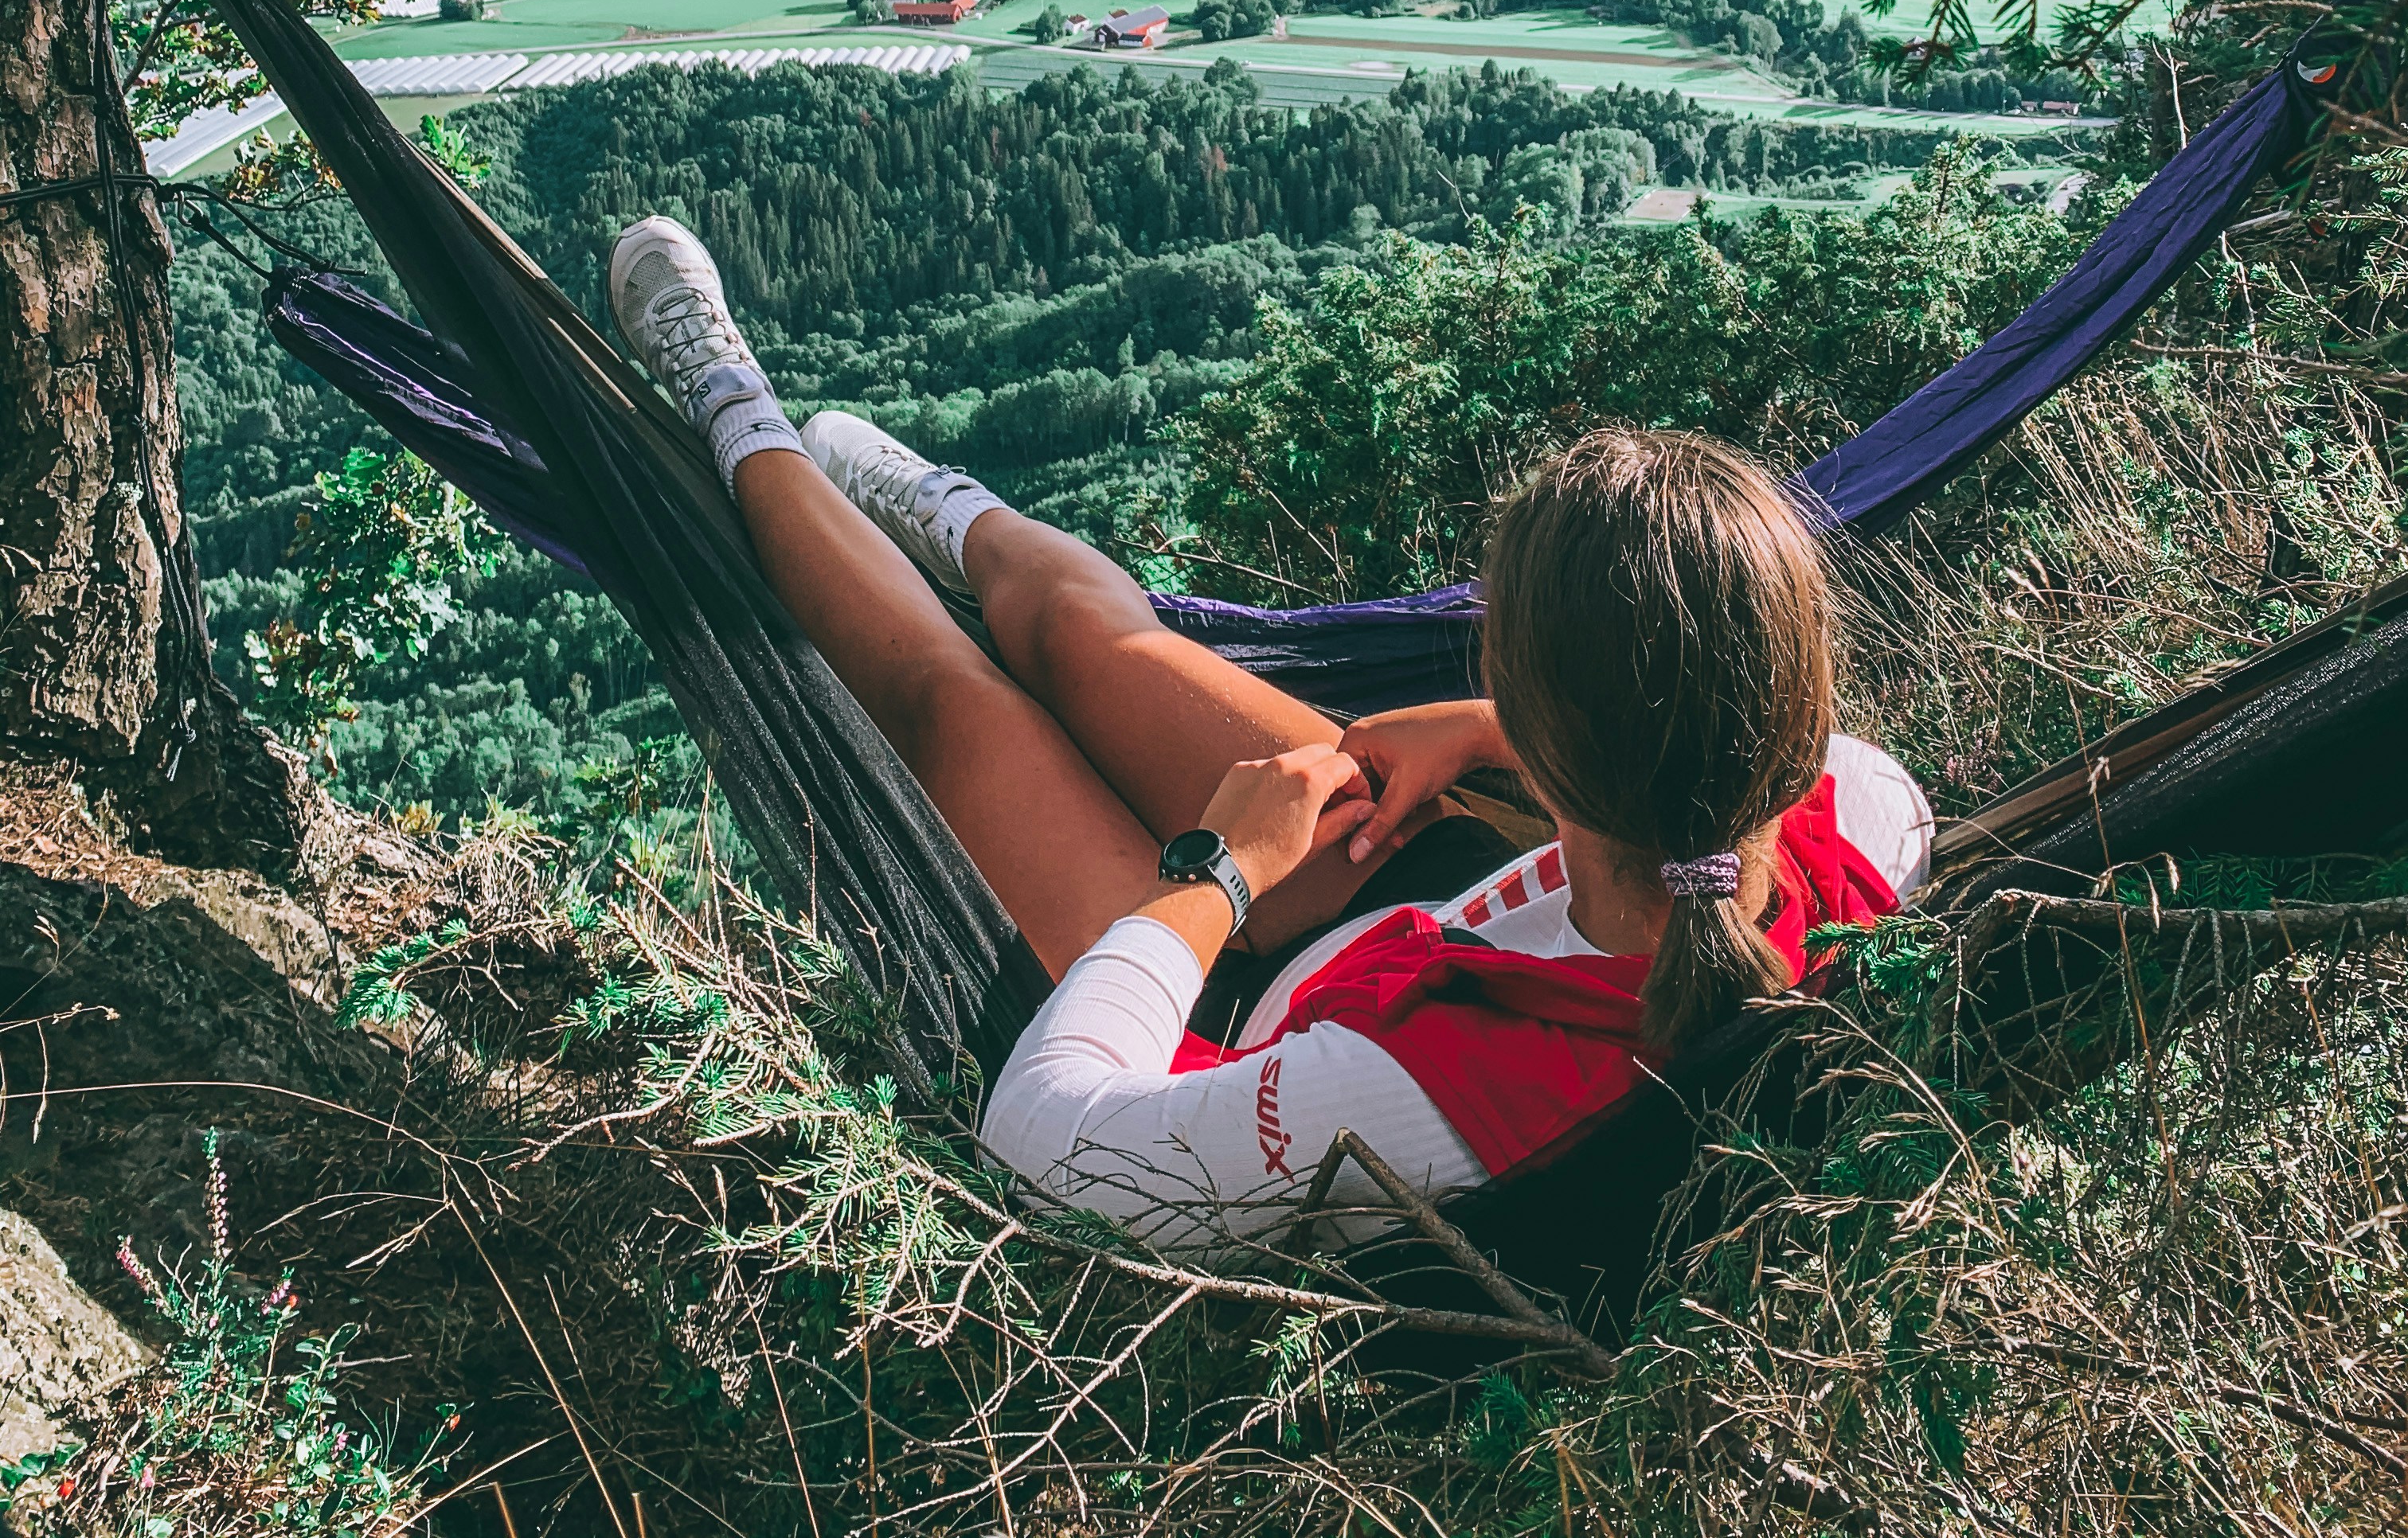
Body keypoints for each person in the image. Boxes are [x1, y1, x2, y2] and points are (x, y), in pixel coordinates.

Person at [608, 215, 1932, 1254]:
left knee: (957, 705)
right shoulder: (1860, 820)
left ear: (1565, 734)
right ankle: (932, 504)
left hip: (1244, 1013)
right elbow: (1723, 750)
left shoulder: (1406, 1104)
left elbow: (1040, 1134)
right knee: (1100, 645)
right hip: (1431, 903)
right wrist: (1480, 733)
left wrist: (1218, 877)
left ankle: (734, 405)